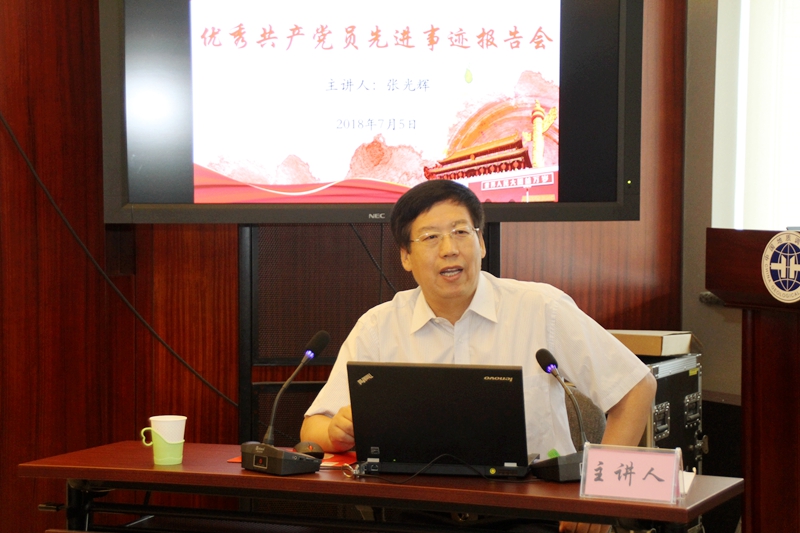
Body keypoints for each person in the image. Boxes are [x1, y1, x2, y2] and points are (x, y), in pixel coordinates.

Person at [300, 179, 657, 533]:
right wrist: (335, 431)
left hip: (531, 512)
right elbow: (312, 428)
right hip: (415, 510)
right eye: (431, 237)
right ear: (406, 257)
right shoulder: (379, 326)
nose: (449, 249)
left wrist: (600, 493)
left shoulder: (541, 308)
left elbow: (637, 387)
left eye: (460, 232)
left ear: (481, 242)